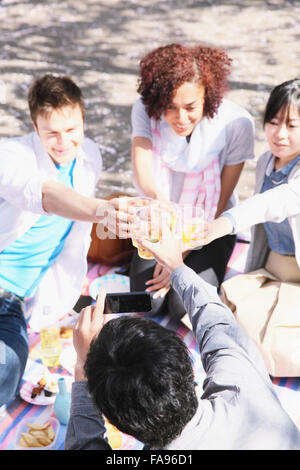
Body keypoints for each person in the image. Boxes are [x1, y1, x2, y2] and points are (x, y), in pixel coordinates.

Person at [65, 224, 300, 450]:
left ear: (118, 424)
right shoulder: (244, 382)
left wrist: (83, 366)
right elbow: (216, 321)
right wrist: (177, 266)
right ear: (190, 368)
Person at [0, 74, 130, 407]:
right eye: (52, 133)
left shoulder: (89, 155)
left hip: (15, 303)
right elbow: (47, 194)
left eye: (72, 130)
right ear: (34, 125)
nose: (63, 143)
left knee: (8, 367)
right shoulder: (11, 156)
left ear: (84, 119)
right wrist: (101, 210)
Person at [129, 43, 255, 321]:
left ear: (208, 96)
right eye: (170, 107)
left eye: (190, 107)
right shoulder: (144, 110)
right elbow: (142, 172)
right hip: (158, 220)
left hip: (209, 226)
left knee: (183, 306)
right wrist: (165, 233)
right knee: (147, 302)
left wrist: (179, 251)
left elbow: (222, 198)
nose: (181, 118)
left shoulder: (236, 123)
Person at [197, 78, 300, 377]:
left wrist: (224, 223)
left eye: (292, 125)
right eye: (273, 122)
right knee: (228, 316)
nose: (280, 134)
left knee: (273, 347)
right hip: (273, 268)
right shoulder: (267, 160)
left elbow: (274, 202)